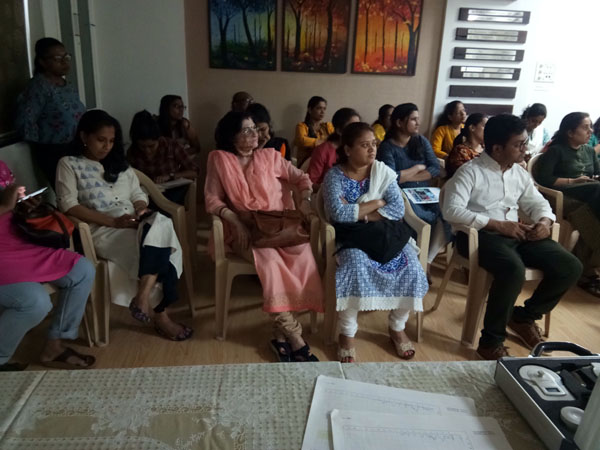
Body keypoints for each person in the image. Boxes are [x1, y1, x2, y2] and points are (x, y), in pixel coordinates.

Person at [442, 114, 582, 360]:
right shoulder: (470, 172)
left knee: (570, 266)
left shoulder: (519, 173)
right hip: (479, 236)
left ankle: (524, 317)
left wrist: (544, 221)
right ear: (497, 148)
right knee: (512, 269)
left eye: (525, 143)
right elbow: (451, 210)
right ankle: (490, 342)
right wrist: (496, 224)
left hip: (516, 234)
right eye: (518, 144)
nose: (524, 149)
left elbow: (537, 203)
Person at [56, 110, 192, 341]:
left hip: (134, 222)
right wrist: (113, 222)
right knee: (162, 249)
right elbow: (68, 205)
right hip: (102, 228)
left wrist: (140, 209)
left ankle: (142, 296)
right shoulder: (69, 164)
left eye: (111, 141)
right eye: (101, 140)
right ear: (84, 136)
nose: (106, 147)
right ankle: (161, 315)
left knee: (161, 222)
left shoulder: (120, 165)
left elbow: (138, 194)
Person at [205, 111, 323, 362]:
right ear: (231, 135)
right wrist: (236, 221)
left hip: (280, 229)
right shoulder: (219, 159)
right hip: (246, 231)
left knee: (303, 258)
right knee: (270, 265)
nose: (254, 134)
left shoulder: (270, 156)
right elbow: (212, 199)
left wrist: (305, 201)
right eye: (246, 130)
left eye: (255, 129)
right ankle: (296, 337)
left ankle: (279, 336)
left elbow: (301, 178)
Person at [322, 122, 428, 362]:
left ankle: (397, 326)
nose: (372, 150)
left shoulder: (382, 172)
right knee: (354, 266)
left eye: (374, 144)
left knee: (412, 267)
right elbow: (338, 213)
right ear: (348, 150)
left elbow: (397, 209)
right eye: (364, 145)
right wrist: (378, 203)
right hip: (351, 237)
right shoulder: (335, 176)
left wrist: (363, 213)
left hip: (384, 235)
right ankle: (347, 333)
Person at [0, 163, 96, 371]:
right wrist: (6, 206)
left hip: (20, 244)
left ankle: (55, 345)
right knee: (36, 302)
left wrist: (24, 205)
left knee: (82, 270)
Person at [378, 103, 451, 283]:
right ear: (399, 123)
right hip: (401, 194)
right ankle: (414, 259)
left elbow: (435, 168)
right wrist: (418, 168)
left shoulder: (421, 141)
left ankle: (427, 260)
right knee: (418, 217)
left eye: (418, 119)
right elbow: (391, 178)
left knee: (448, 212)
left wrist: (408, 175)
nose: (418, 123)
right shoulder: (387, 147)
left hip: (425, 191)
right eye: (413, 119)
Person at [533, 112, 600, 296]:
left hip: (589, 199)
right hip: (563, 196)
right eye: (585, 127)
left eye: (590, 127)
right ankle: (588, 272)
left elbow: (596, 174)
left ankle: (586, 271)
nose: (590, 131)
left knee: (592, 214)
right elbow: (544, 179)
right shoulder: (556, 151)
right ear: (570, 132)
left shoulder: (588, 151)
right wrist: (573, 181)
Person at [15, 37, 86, 188]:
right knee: (67, 192)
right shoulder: (39, 87)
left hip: (76, 146)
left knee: (85, 190)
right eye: (58, 59)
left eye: (66, 57)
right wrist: (43, 145)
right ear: (43, 62)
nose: (65, 62)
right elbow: (26, 120)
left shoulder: (67, 85)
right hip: (54, 151)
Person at [128, 110, 198, 205]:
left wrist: (170, 176)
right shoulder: (132, 151)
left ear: (159, 139)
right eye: (142, 146)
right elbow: (130, 178)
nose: (147, 151)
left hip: (171, 191)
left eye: (151, 146)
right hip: (147, 194)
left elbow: (194, 172)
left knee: (167, 203)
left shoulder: (171, 145)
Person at [308, 107, 360, 187]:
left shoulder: (359, 149)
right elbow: (310, 183)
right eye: (352, 128)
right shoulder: (323, 151)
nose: (358, 132)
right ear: (339, 131)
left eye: (359, 127)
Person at [294, 96, 334, 166]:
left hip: (324, 162)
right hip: (306, 163)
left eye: (324, 109)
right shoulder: (302, 126)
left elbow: (335, 140)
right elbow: (301, 140)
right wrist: (323, 142)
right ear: (310, 110)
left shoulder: (327, 126)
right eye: (319, 108)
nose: (322, 112)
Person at [445, 113, 487, 178]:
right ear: (472, 128)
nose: (488, 130)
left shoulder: (487, 150)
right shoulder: (460, 151)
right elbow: (465, 176)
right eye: (485, 126)